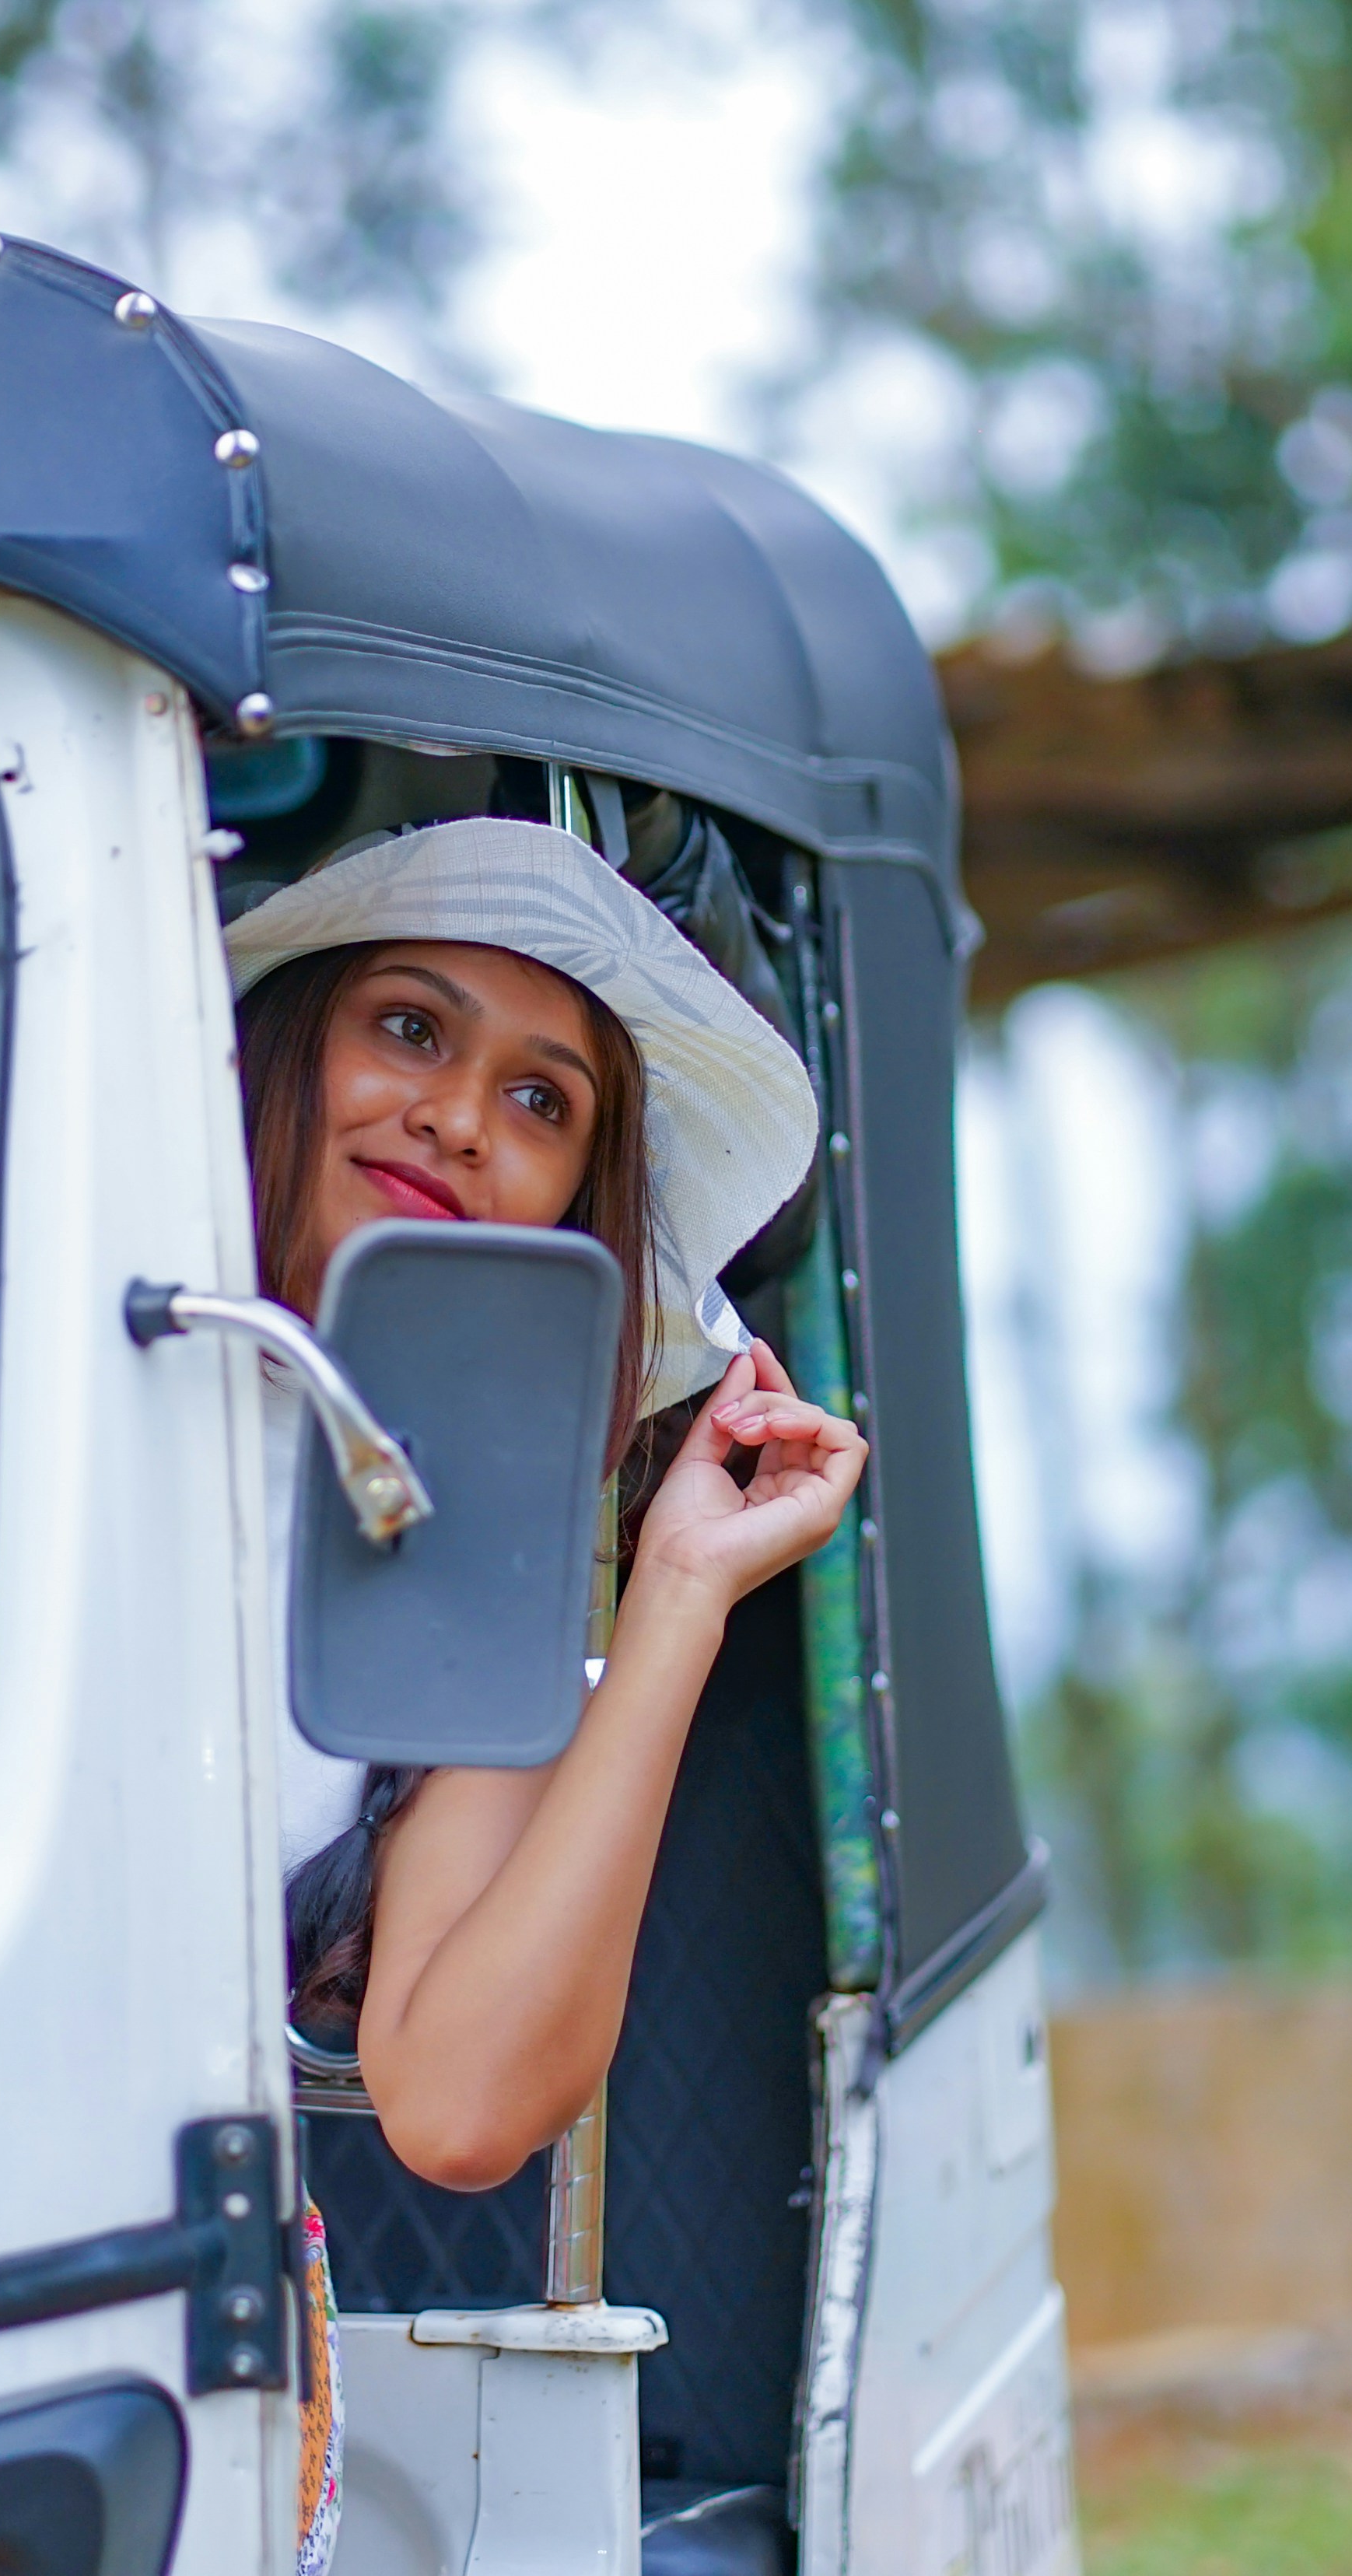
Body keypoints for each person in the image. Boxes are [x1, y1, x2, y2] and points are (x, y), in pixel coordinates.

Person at [229, 814, 867, 2193]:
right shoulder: (7, 1314)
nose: (457, 1119)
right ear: (281, 1048)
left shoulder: (464, 1556)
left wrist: (681, 1597)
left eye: (541, 1103)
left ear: (570, 1211)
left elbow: (460, 2108)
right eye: (409, 1028)